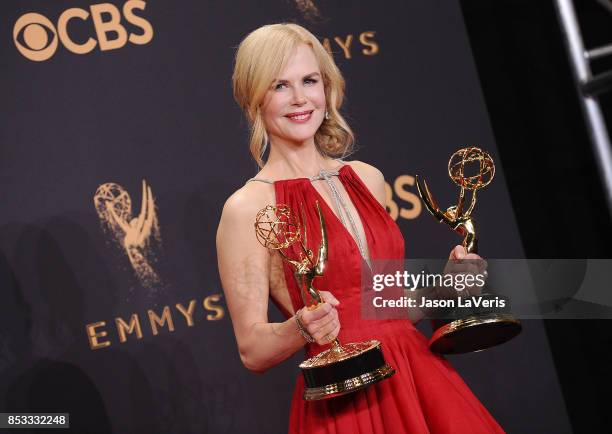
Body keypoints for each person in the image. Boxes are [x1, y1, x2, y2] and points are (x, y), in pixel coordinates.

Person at [216, 23, 504, 434]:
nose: (300, 99)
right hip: (345, 402)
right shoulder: (247, 208)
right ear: (253, 98)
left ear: (327, 88)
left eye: (309, 81)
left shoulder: (366, 178)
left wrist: (445, 288)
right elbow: (252, 351)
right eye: (279, 85)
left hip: (416, 374)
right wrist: (302, 327)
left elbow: (385, 308)